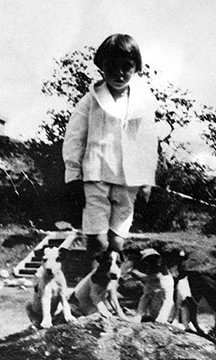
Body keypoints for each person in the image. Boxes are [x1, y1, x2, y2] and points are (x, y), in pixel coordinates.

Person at [63, 33, 160, 267]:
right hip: (96, 173)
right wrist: (73, 174)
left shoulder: (143, 102)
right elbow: (75, 138)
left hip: (129, 178)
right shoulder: (90, 100)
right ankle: (92, 292)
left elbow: (148, 142)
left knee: (117, 242)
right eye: (111, 67)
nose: (119, 74)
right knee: (97, 240)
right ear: (101, 68)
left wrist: (147, 180)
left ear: (136, 68)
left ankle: (109, 291)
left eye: (126, 67)